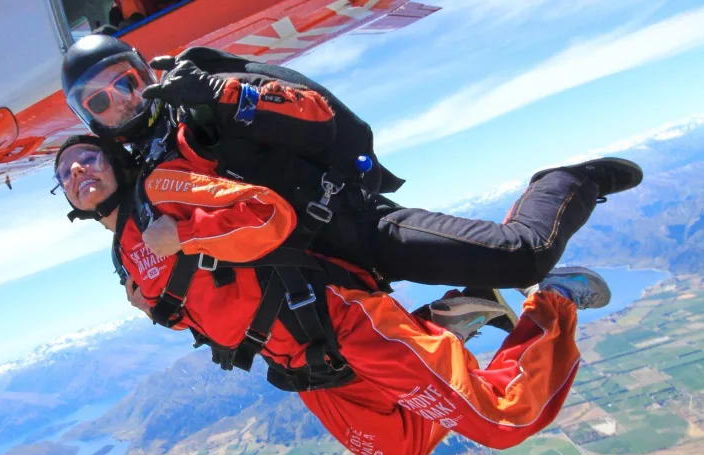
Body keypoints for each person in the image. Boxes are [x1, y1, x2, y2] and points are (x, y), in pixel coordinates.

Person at [52, 135, 611, 455]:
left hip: (334, 318)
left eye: (84, 157)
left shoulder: (162, 189)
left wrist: (187, 234)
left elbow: (266, 215)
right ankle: (451, 318)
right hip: (305, 365)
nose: (76, 171)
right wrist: (158, 308)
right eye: (64, 174)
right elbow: (207, 306)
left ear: (114, 161)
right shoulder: (125, 260)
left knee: (506, 421)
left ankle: (551, 303)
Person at [59, 34, 644, 295]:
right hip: (312, 272)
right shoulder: (144, 172)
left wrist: (221, 93)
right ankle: (469, 302)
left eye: (126, 82)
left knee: (523, 257)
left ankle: (569, 182)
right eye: (100, 102)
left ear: (144, 70)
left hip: (356, 225)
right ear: (93, 122)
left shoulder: (199, 97)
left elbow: (316, 117)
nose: (122, 101)